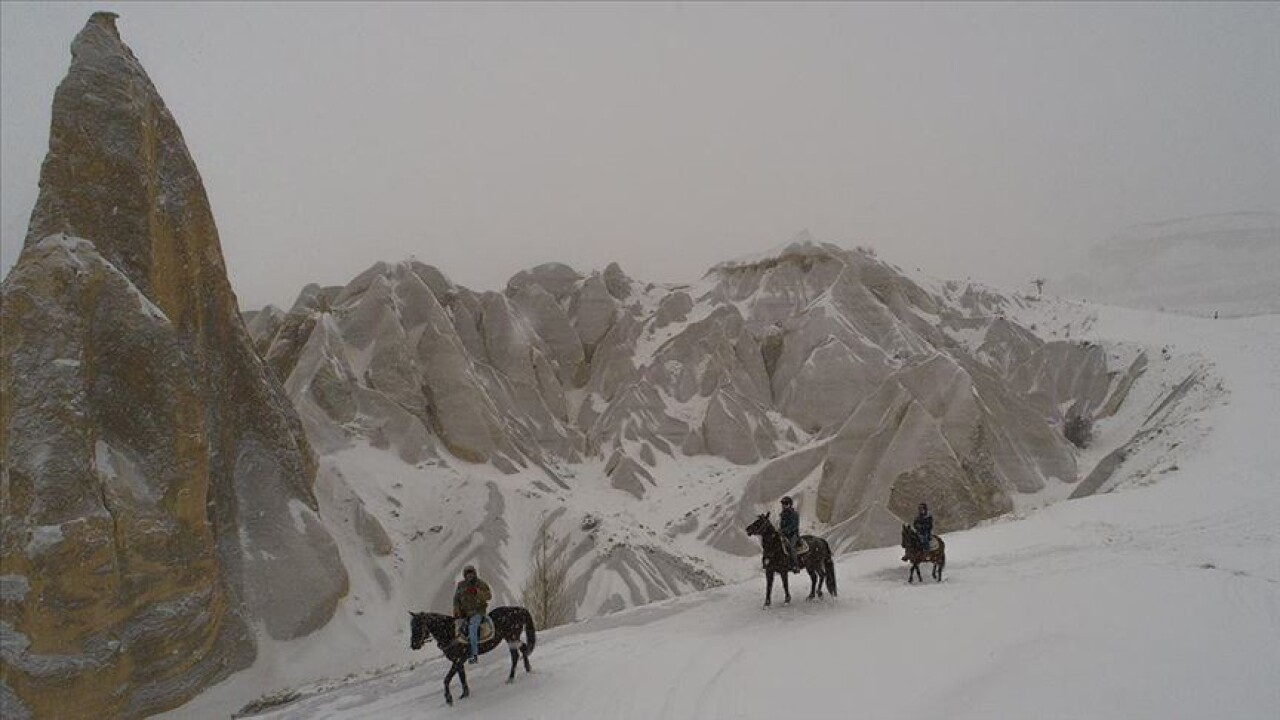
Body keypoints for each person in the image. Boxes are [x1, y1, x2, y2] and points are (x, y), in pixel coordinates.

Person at [453, 565, 492, 663]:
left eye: (471, 573)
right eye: (467, 574)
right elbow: (456, 599)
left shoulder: (480, 583)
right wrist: (456, 611)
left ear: (474, 573)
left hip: (477, 612)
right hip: (464, 614)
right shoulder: (461, 585)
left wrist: (477, 592)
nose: (469, 575)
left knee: (472, 630)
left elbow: (488, 596)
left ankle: (474, 655)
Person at [779, 496, 801, 572]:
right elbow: (781, 525)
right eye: (783, 503)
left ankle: (796, 565)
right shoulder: (782, 514)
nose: (783, 505)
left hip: (793, 534)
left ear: (790, 504)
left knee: (792, 547)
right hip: (784, 534)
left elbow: (794, 525)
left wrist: (784, 530)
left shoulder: (794, 514)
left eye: (785, 503)